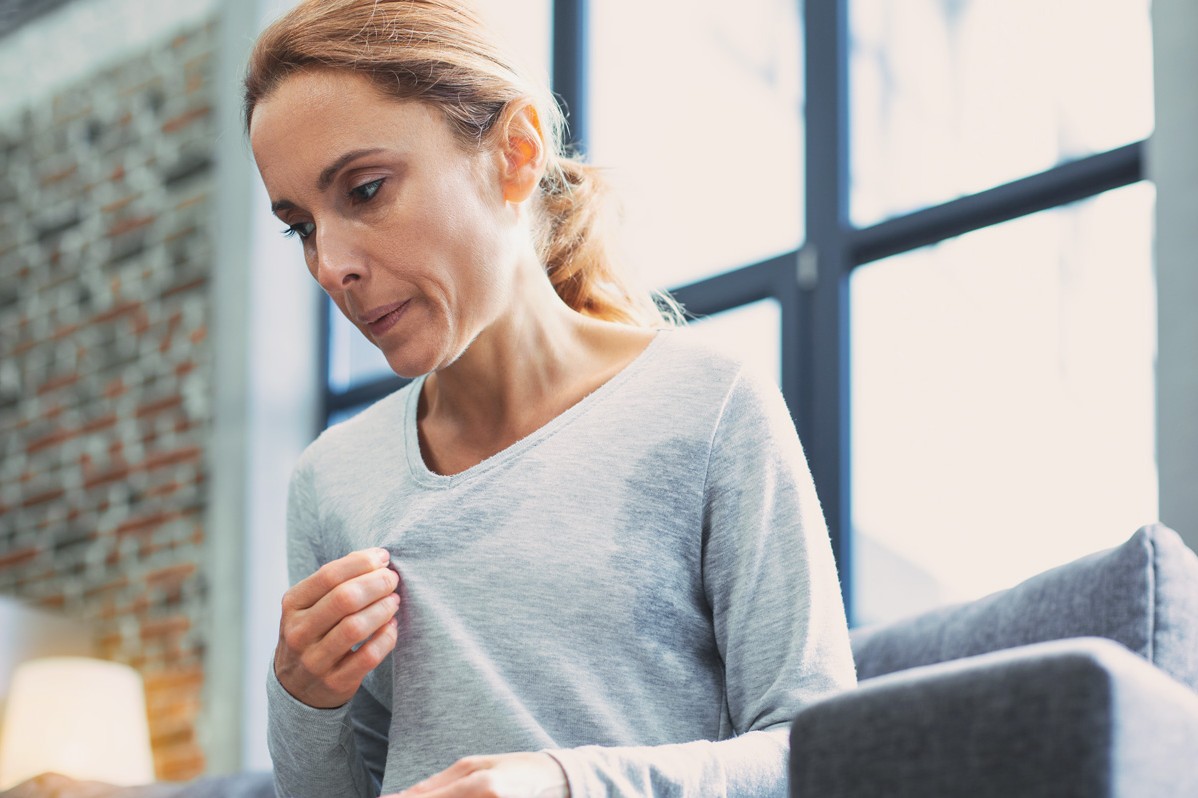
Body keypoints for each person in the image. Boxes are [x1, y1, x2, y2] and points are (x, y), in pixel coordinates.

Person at [244, 1, 856, 796]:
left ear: (517, 153)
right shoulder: (332, 481)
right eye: (300, 227)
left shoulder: (707, 404)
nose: (331, 265)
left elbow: (823, 755)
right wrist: (301, 698)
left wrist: (565, 785)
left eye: (364, 190)